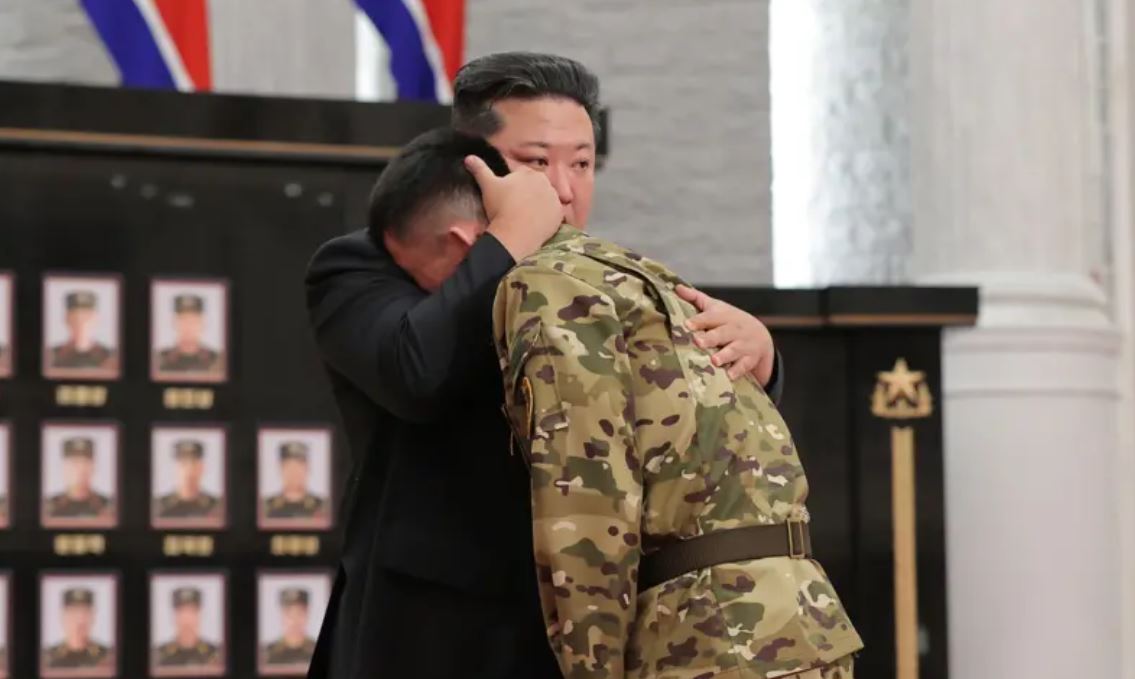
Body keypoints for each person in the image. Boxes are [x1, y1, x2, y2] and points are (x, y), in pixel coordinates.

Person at [305, 53, 783, 679]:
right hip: (430, 633)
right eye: (536, 163)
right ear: (471, 160)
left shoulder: (607, 283)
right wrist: (507, 241)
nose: (563, 189)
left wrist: (759, 354)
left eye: (581, 163)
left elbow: (701, 439)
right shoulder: (369, 262)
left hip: (585, 625)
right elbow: (415, 373)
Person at [493, 229, 863, 677]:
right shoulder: (642, 277)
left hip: (712, 637)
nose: (564, 194)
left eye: (579, 170)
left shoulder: (552, 280)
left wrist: (592, 669)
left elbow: (589, 502)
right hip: (801, 625)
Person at [49, 291, 115, 372]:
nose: (81, 322)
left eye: (86, 317)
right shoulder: (51, 357)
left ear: (96, 319)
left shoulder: (110, 357)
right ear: (66, 319)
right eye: (75, 317)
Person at [156, 294, 223, 375]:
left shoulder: (217, 361)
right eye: (183, 320)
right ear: (174, 323)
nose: (188, 326)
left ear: (203, 324)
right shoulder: (159, 360)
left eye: (193, 321)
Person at [44, 588, 110, 669]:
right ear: (63, 616)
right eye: (74, 612)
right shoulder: (48, 657)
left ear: (93, 617)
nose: (80, 620)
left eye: (85, 612)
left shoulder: (107, 656)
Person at [46, 437, 111, 519]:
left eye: (85, 462)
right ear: (64, 467)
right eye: (75, 462)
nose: (81, 468)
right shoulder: (47, 508)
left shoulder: (109, 506)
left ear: (94, 467)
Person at [155, 587, 220, 667]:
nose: (187, 620)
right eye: (182, 612)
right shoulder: (157, 656)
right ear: (174, 616)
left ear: (199, 616)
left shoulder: (216, 654)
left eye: (192, 612)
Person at [156, 440, 220, 520]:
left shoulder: (215, 506)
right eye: (183, 464)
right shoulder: (159, 506)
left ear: (202, 468)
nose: (189, 470)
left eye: (194, 464)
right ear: (176, 469)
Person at [264, 442, 326, 519]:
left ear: (307, 469)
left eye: (299, 466)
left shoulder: (322, 507)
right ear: (280, 469)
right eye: (289, 466)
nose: (294, 472)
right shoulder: (266, 507)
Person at [264, 588, 316, 667]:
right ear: (282, 616)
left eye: (300, 613)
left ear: (307, 615)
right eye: (289, 614)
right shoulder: (266, 654)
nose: (295, 620)